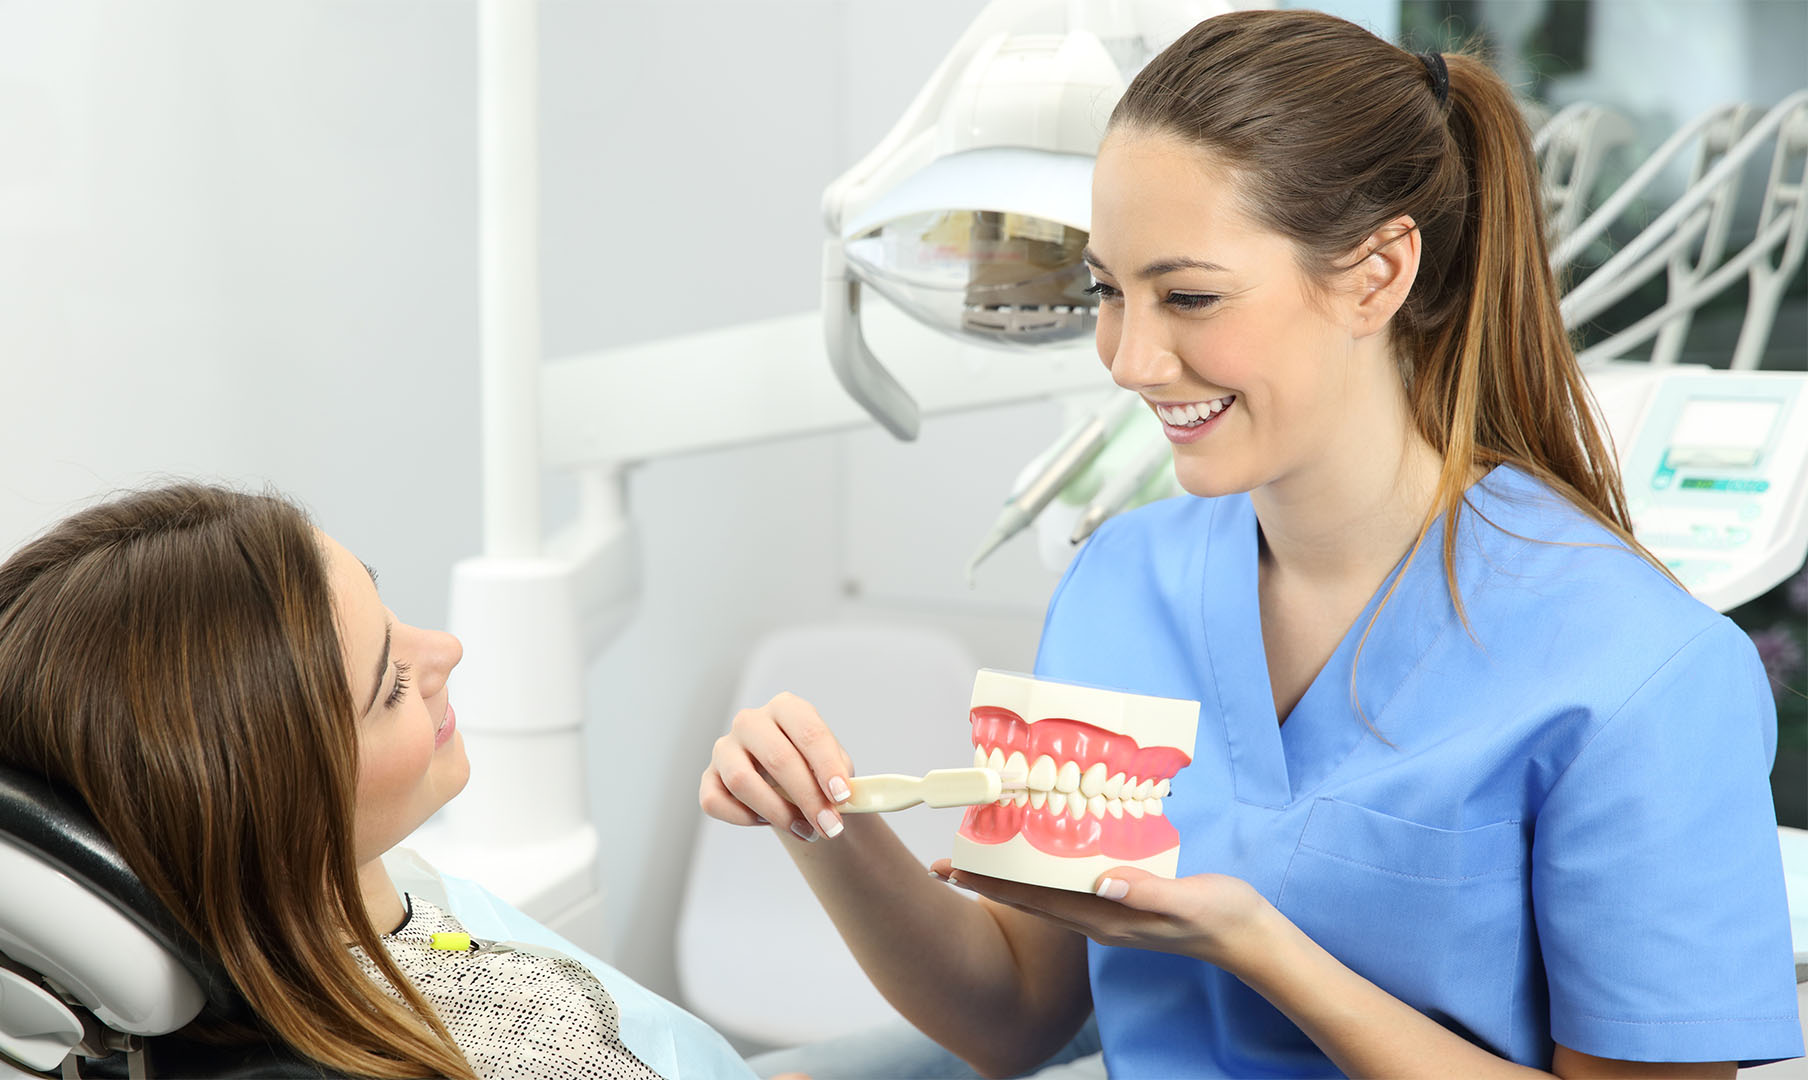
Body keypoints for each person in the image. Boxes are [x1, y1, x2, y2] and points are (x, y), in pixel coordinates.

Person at [701, 9, 1802, 1078]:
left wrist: (1260, 946)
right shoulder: (1122, 582)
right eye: (1107, 293)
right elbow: (1015, 1015)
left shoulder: (1640, 672)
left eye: (1188, 295)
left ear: (1378, 272)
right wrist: (822, 826)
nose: (1129, 360)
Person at [0, 482, 772, 1080]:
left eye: (387, 611)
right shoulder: (517, 1043)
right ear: (276, 814)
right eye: (392, 686)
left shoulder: (163, 1010)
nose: (444, 649)